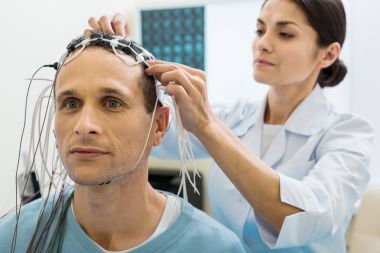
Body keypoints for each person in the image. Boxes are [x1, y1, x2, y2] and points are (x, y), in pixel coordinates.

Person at [89, 0, 375, 252]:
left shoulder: (348, 134)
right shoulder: (236, 117)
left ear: (328, 54)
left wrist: (207, 125)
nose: (263, 42)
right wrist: (113, 61)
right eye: (260, 29)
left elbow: (305, 216)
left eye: (285, 33)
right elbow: (148, 133)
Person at [0, 33, 245, 253]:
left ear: (158, 125)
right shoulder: (12, 237)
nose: (84, 126)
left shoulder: (215, 247)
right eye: (71, 103)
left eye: (112, 103)